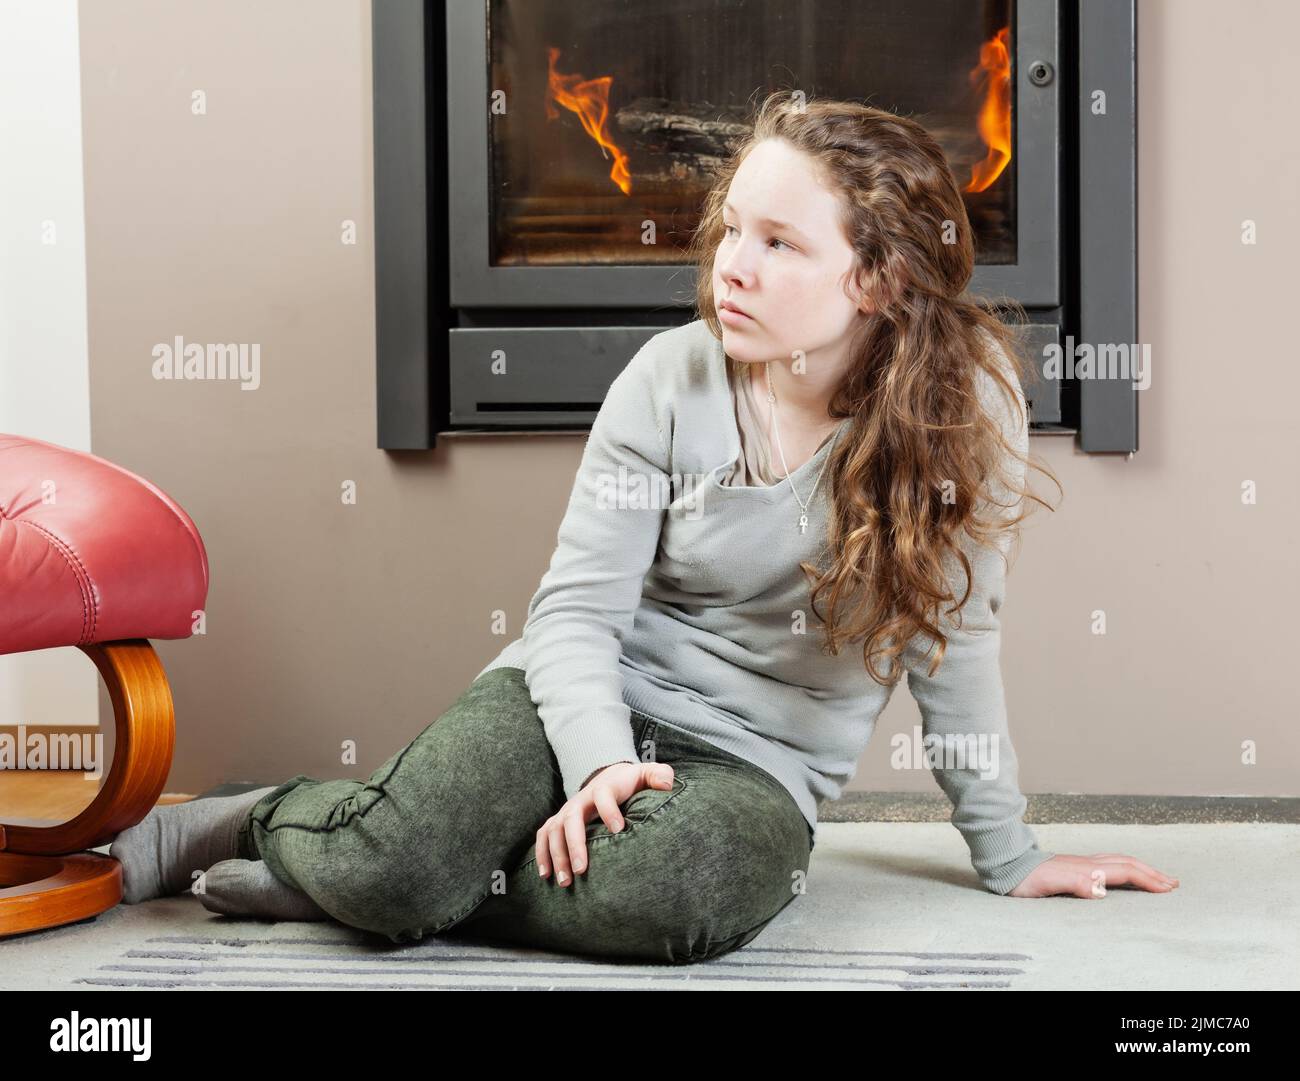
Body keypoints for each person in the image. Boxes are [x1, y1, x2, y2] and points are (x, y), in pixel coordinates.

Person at [110, 91, 1178, 966]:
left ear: (880, 278)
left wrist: (1007, 849)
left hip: (759, 766)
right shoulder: (669, 379)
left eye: (778, 244)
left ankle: (394, 879)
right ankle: (277, 824)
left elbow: (957, 636)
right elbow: (575, 613)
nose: (729, 267)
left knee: (676, 892)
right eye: (732, 231)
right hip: (587, 693)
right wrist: (596, 764)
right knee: (401, 863)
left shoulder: (966, 406)